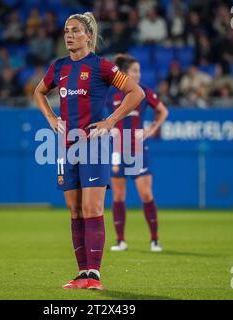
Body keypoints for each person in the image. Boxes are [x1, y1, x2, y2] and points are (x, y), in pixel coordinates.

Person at [34, 12, 145, 290]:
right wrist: (50, 118)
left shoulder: (101, 67)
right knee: (74, 210)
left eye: (75, 30)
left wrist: (110, 121)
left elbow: (136, 92)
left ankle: (94, 275)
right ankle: (81, 274)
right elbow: (38, 92)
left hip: (94, 145)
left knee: (92, 207)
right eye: (66, 31)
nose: (69, 35)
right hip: (66, 146)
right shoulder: (58, 67)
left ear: (88, 36)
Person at [106, 54, 168, 252]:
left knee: (146, 194)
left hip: (138, 149)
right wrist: (109, 127)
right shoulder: (111, 94)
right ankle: (121, 240)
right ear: (124, 73)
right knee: (118, 195)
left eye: (139, 71)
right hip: (117, 150)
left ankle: (155, 239)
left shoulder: (144, 92)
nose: (138, 74)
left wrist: (151, 130)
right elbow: (99, 112)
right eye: (134, 70)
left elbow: (163, 111)